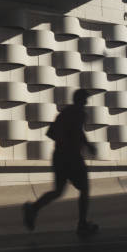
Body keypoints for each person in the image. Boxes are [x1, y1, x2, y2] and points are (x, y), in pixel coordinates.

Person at [23, 88, 99, 236]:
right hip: (71, 157)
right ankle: (82, 224)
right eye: (85, 99)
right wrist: (81, 146)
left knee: (58, 191)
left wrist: (66, 143)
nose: (86, 102)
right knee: (84, 189)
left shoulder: (65, 113)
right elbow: (77, 132)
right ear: (80, 100)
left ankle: (33, 208)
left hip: (59, 156)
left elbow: (52, 132)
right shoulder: (79, 113)